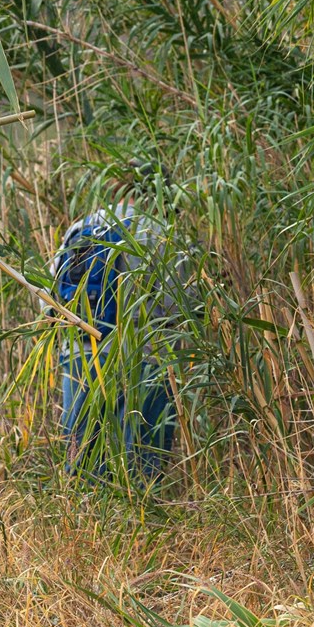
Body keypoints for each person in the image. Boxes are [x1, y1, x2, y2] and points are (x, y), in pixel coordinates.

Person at [49, 192, 182, 482]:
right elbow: (178, 303)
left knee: (81, 448)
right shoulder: (157, 230)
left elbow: (49, 296)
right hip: (144, 354)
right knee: (143, 452)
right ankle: (141, 507)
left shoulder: (79, 228)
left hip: (81, 351)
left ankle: (81, 513)